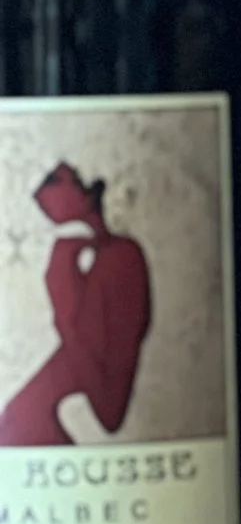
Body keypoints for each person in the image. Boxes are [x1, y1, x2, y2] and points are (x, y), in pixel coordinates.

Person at [0, 161, 152, 445]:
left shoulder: (121, 258)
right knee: (18, 417)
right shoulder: (77, 257)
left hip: (97, 370)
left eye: (57, 181)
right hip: (80, 359)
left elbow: (110, 408)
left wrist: (65, 295)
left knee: (21, 416)